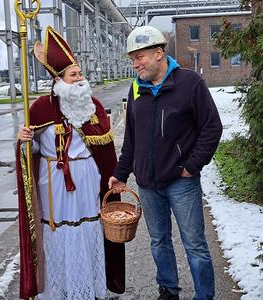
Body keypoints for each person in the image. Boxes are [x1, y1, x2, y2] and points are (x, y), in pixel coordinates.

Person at [109, 25, 222, 300]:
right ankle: (168, 290)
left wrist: (192, 166)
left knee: (194, 244)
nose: (135, 64)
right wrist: (121, 173)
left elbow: (211, 128)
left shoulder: (189, 83)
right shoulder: (137, 90)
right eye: (132, 59)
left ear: (159, 53)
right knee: (159, 242)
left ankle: (204, 296)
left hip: (181, 182)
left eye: (140, 57)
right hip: (148, 184)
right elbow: (132, 138)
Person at [16, 26, 125, 300]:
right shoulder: (40, 108)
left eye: (80, 74)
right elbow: (32, 151)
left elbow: (106, 151)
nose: (80, 79)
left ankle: (88, 286)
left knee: (87, 225)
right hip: (52, 179)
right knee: (58, 229)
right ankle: (59, 289)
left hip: (86, 177)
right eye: (73, 75)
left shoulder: (93, 107)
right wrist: (24, 139)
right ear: (59, 80)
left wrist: (113, 179)